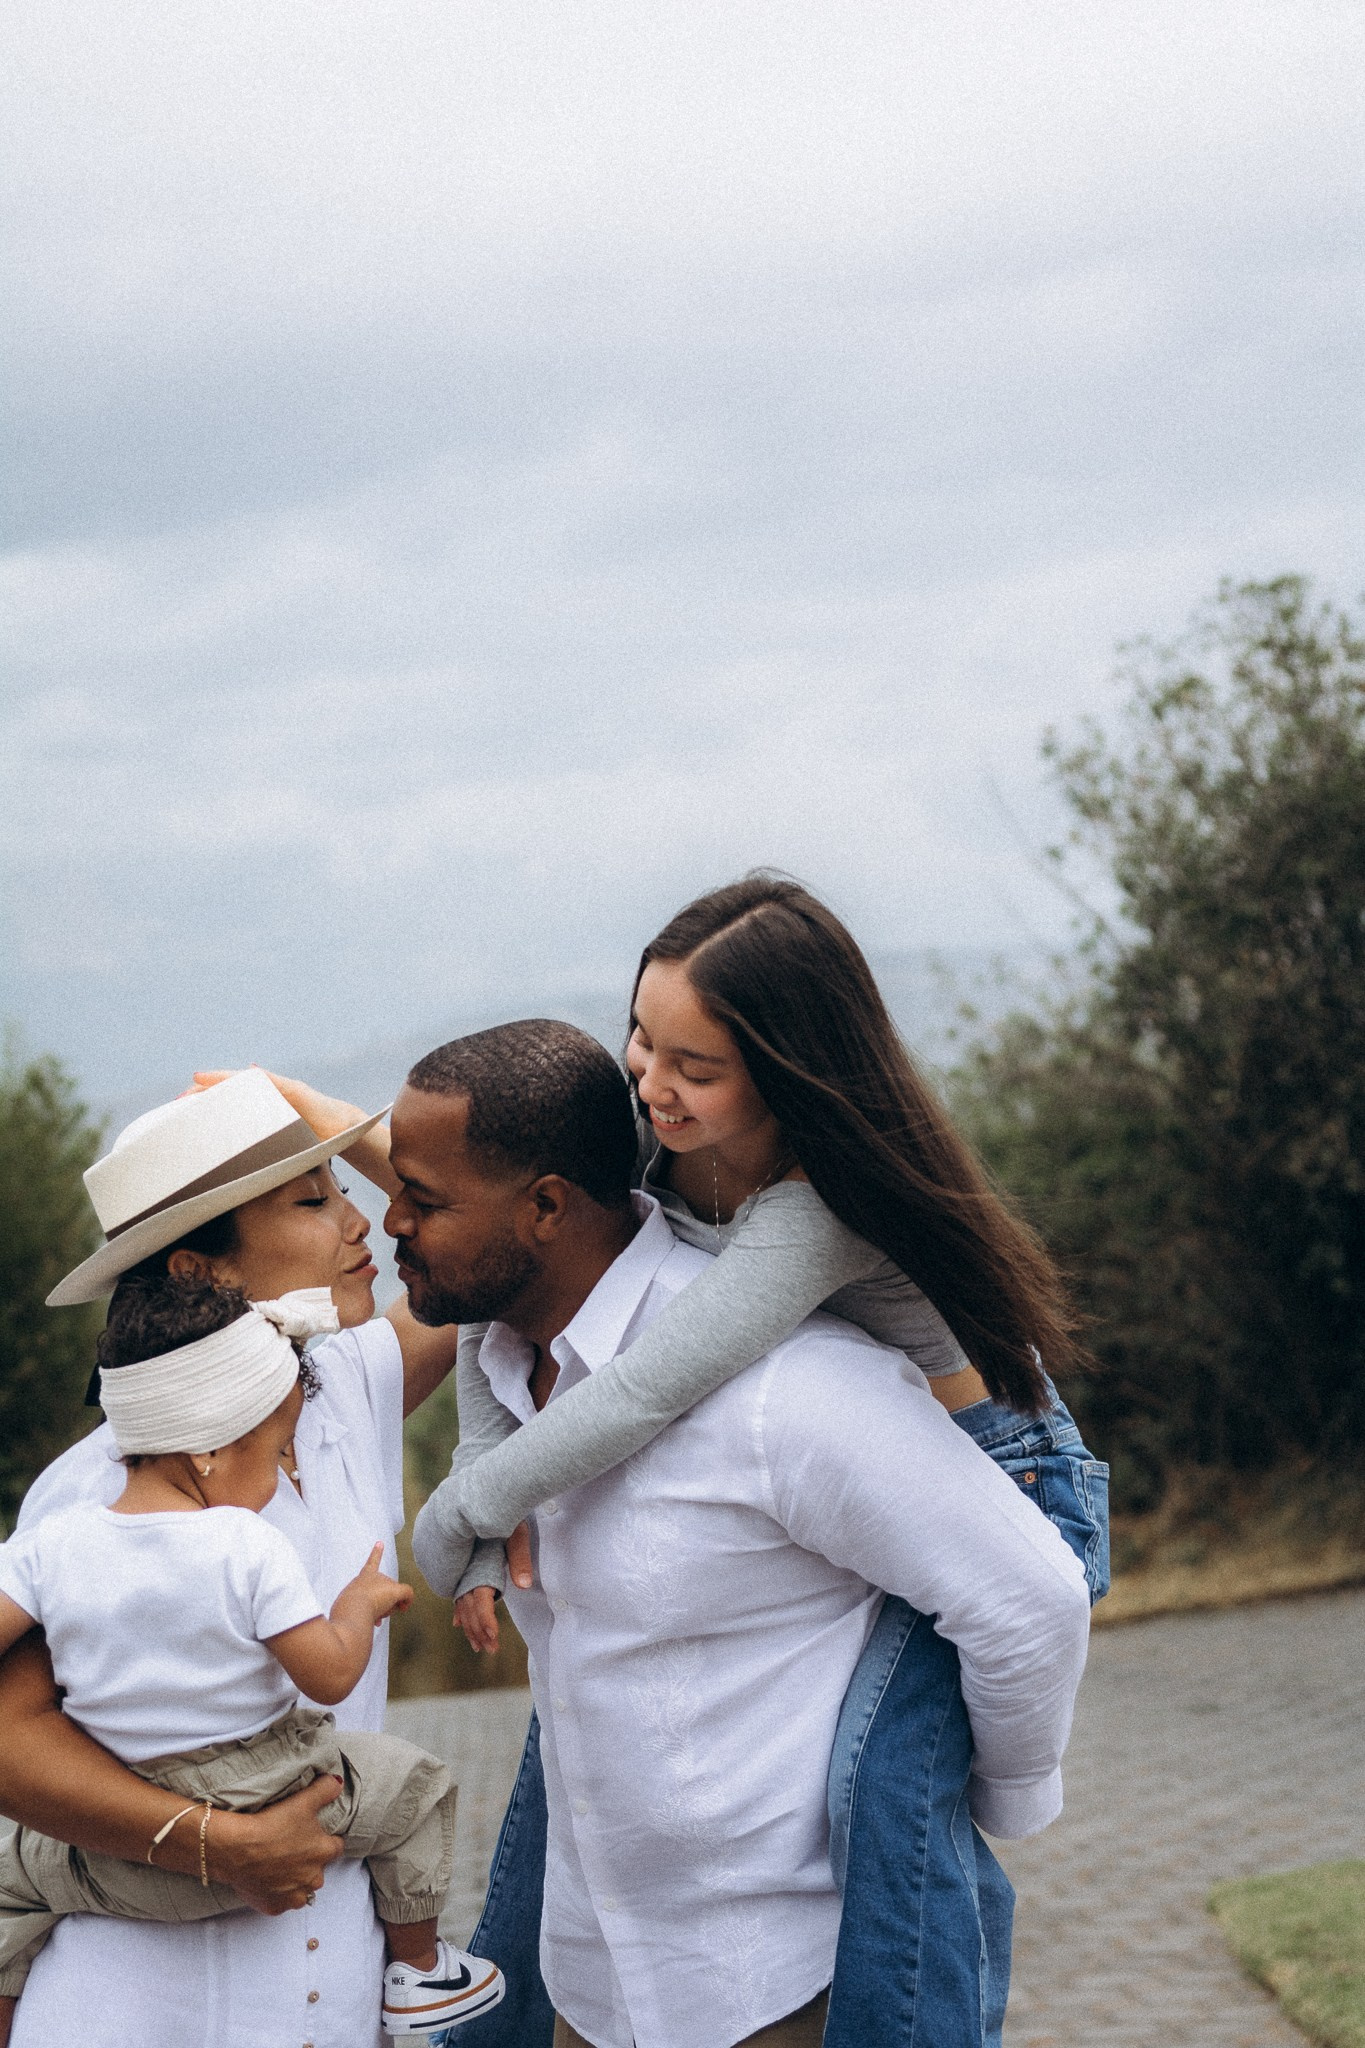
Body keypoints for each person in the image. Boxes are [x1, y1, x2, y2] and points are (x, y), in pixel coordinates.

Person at [402, 877, 1107, 2046]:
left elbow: (649, 1386)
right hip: (887, 1467)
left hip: (1012, 1467)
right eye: (642, 1036)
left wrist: (471, 1499)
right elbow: (490, 1226)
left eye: (697, 1065)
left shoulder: (810, 1210)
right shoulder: (665, 1137)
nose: (651, 1081)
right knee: (564, 1768)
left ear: (785, 1073)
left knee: (890, 1795)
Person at [0, 1067, 492, 2048]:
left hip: (336, 1995)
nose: (362, 1226)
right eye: (313, 1202)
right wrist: (221, 1842)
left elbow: (482, 1258)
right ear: (197, 1271)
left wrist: (338, 1124)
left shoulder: (345, 1389)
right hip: (136, 1999)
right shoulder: (97, 1489)